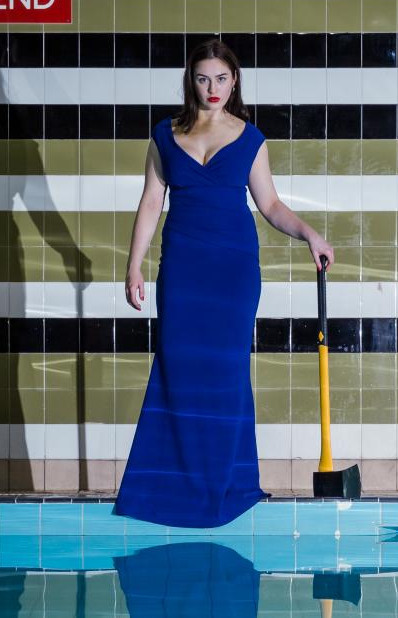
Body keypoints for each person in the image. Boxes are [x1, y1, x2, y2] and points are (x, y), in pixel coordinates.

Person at [114, 38, 334, 527]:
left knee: (227, 372)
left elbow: (271, 206)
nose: (212, 88)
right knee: (178, 369)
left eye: (221, 78)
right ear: (190, 81)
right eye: (202, 78)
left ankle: (228, 483)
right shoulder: (165, 135)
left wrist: (310, 234)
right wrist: (134, 266)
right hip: (183, 268)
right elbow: (151, 203)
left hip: (232, 270)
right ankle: (168, 486)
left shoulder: (251, 138)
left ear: (234, 81)